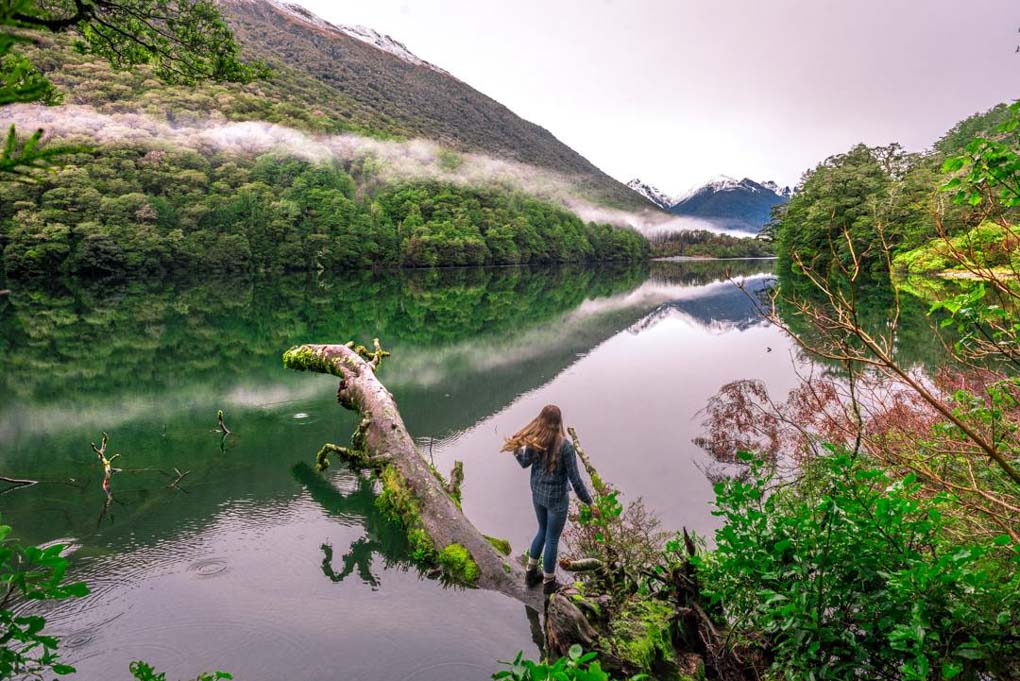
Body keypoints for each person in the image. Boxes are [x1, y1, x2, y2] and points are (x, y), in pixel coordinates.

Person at [501, 404, 594, 595]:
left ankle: (530, 573)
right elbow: (576, 480)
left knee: (542, 531)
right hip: (557, 500)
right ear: (559, 422)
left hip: (537, 495)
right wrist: (589, 503)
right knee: (552, 539)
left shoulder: (535, 441)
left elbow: (524, 463)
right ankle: (549, 582)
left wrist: (516, 450)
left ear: (541, 419)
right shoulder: (566, 447)